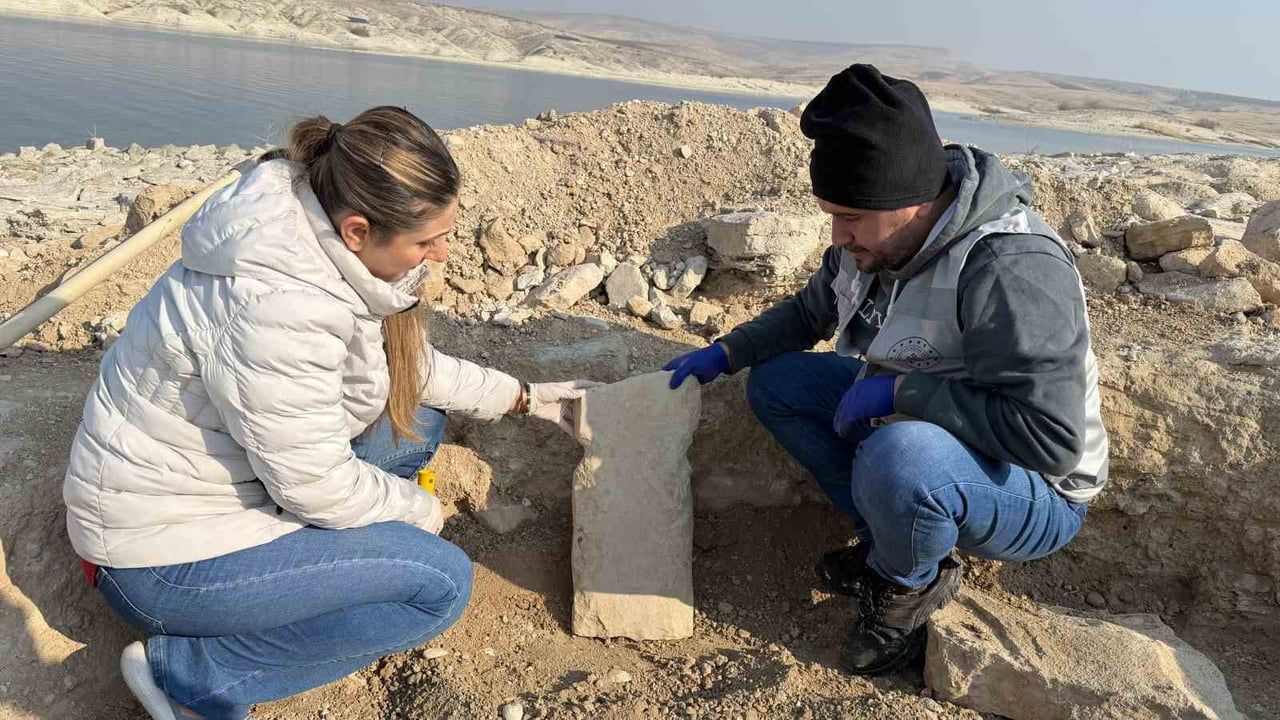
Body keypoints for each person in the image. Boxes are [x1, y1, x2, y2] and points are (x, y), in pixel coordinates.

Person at [63, 106, 594, 720]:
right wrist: (418, 511)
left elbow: (402, 368)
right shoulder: (278, 305)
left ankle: (343, 566)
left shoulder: (312, 241)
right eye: (426, 240)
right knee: (440, 584)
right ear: (358, 231)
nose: (444, 253)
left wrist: (523, 397)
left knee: (417, 423)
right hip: (162, 557)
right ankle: (195, 679)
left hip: (221, 493)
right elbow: (316, 484)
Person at [664, 65, 1109, 675]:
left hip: (1032, 490)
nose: (838, 234)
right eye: (831, 213)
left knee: (901, 457)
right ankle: (888, 543)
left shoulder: (1008, 270)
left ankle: (907, 587)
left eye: (850, 217)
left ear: (914, 202)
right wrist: (727, 353)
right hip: (935, 434)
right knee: (780, 384)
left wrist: (903, 391)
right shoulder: (876, 239)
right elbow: (809, 312)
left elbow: (1051, 442)